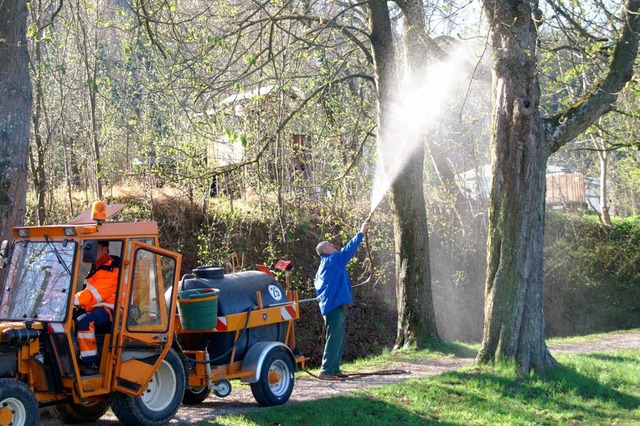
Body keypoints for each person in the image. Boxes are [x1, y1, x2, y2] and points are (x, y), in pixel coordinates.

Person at [314, 220, 369, 379]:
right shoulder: (333, 260)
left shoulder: (324, 266)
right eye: (330, 245)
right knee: (334, 337)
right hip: (332, 306)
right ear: (325, 249)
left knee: (337, 336)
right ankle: (326, 370)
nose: (334, 246)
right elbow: (348, 250)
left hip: (331, 306)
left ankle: (334, 368)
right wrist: (361, 233)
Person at [74, 240, 119, 375]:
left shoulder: (112, 269)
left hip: (112, 310)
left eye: (93, 248)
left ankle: (90, 362)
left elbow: (93, 294)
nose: (90, 253)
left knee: (84, 322)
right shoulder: (97, 268)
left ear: (105, 249)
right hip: (95, 307)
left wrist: (72, 300)